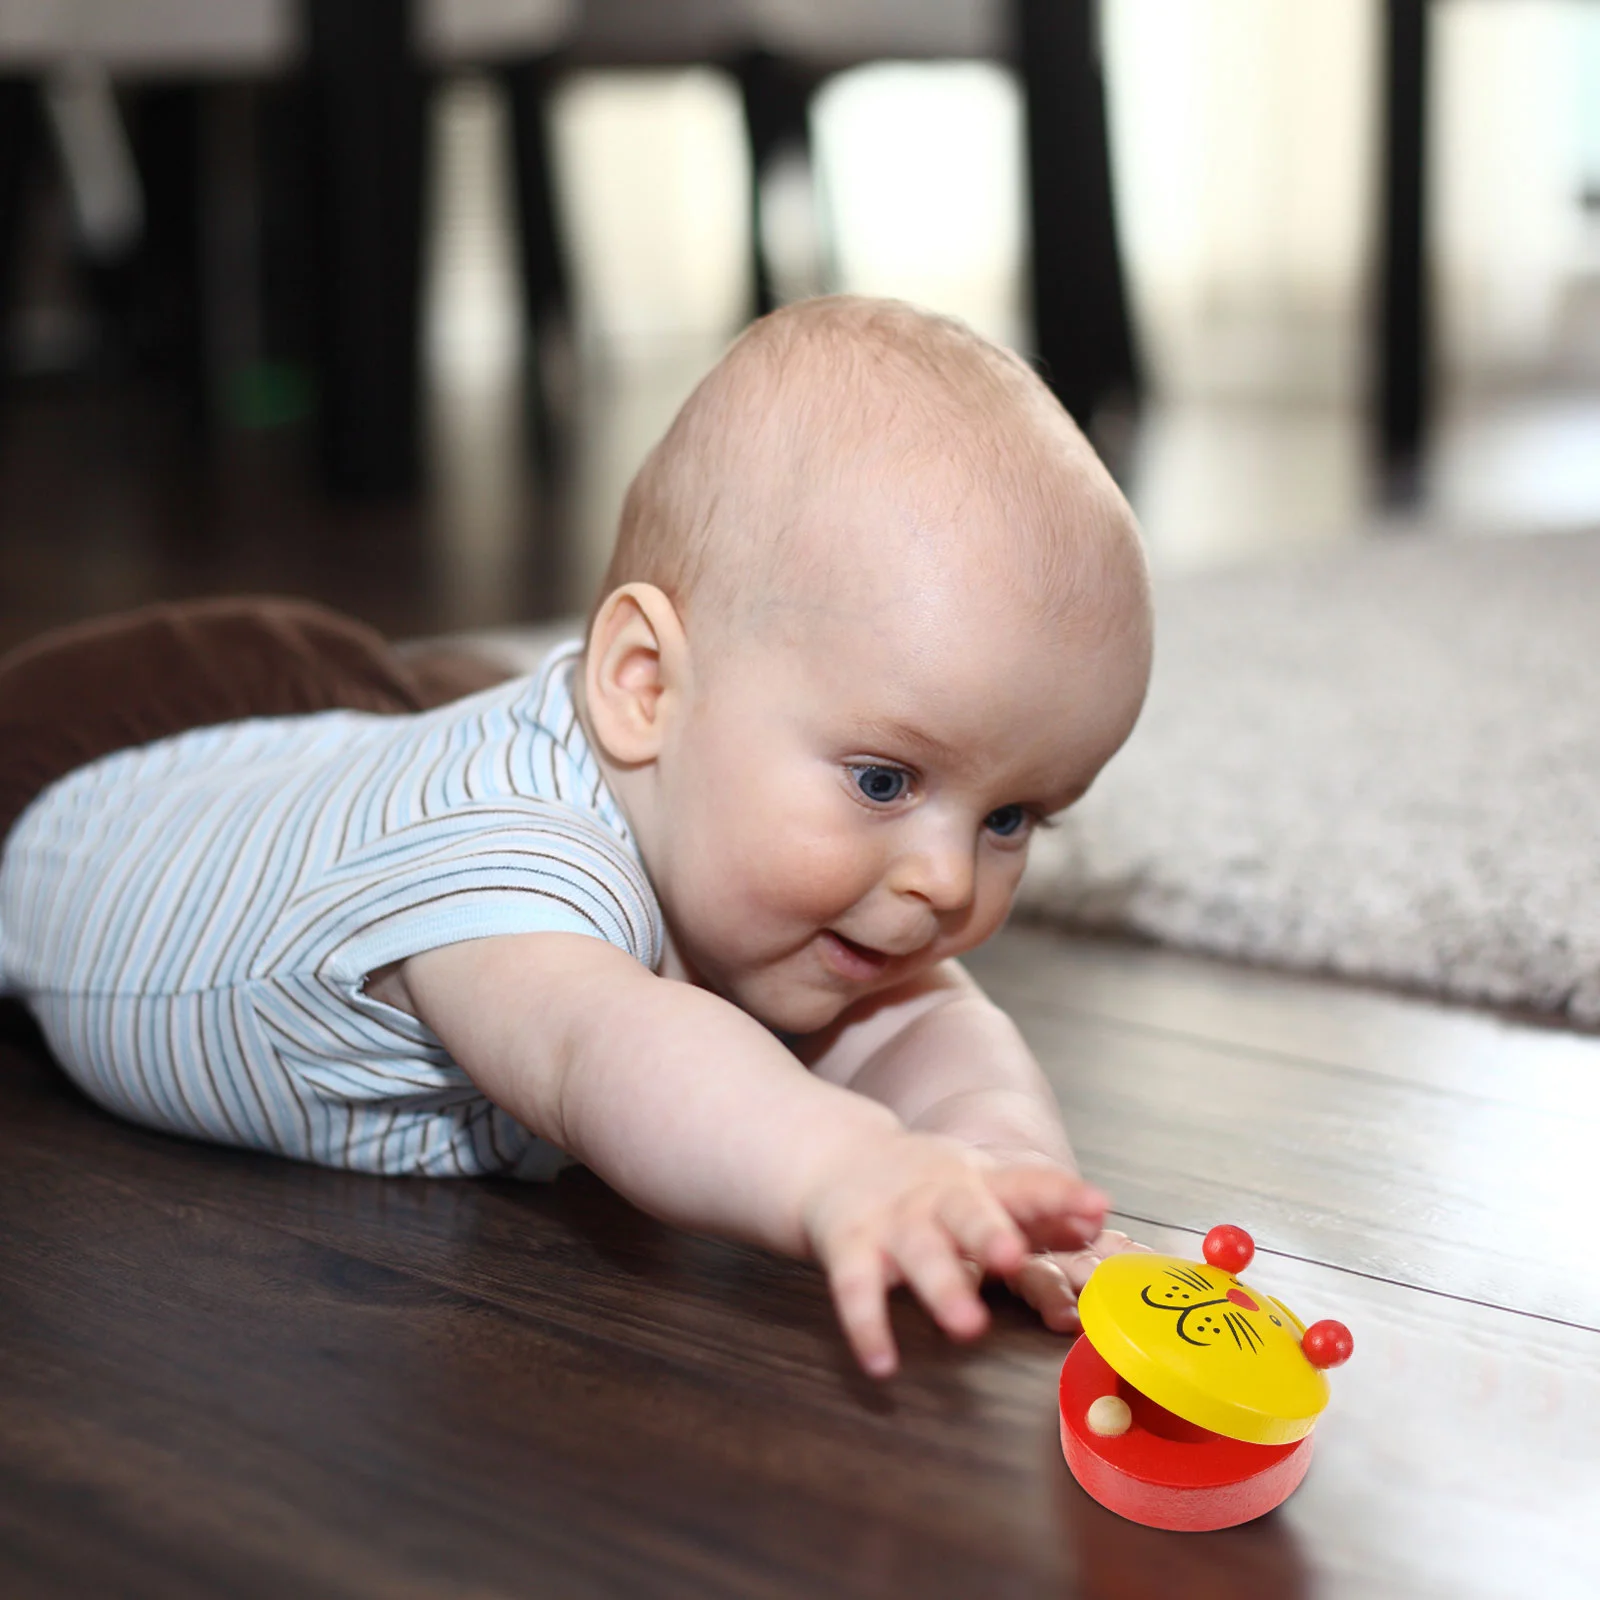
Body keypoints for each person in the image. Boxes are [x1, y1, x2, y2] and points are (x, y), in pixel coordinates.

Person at [0, 297, 1153, 1377]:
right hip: (88, 795)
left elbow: (930, 1022)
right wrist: (841, 1163)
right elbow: (603, 1053)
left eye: (1011, 817)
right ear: (642, 685)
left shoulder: (785, 845)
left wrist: (998, 1162)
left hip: (346, 752)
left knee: (427, 698)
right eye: (883, 778)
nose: (946, 880)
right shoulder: (511, 868)